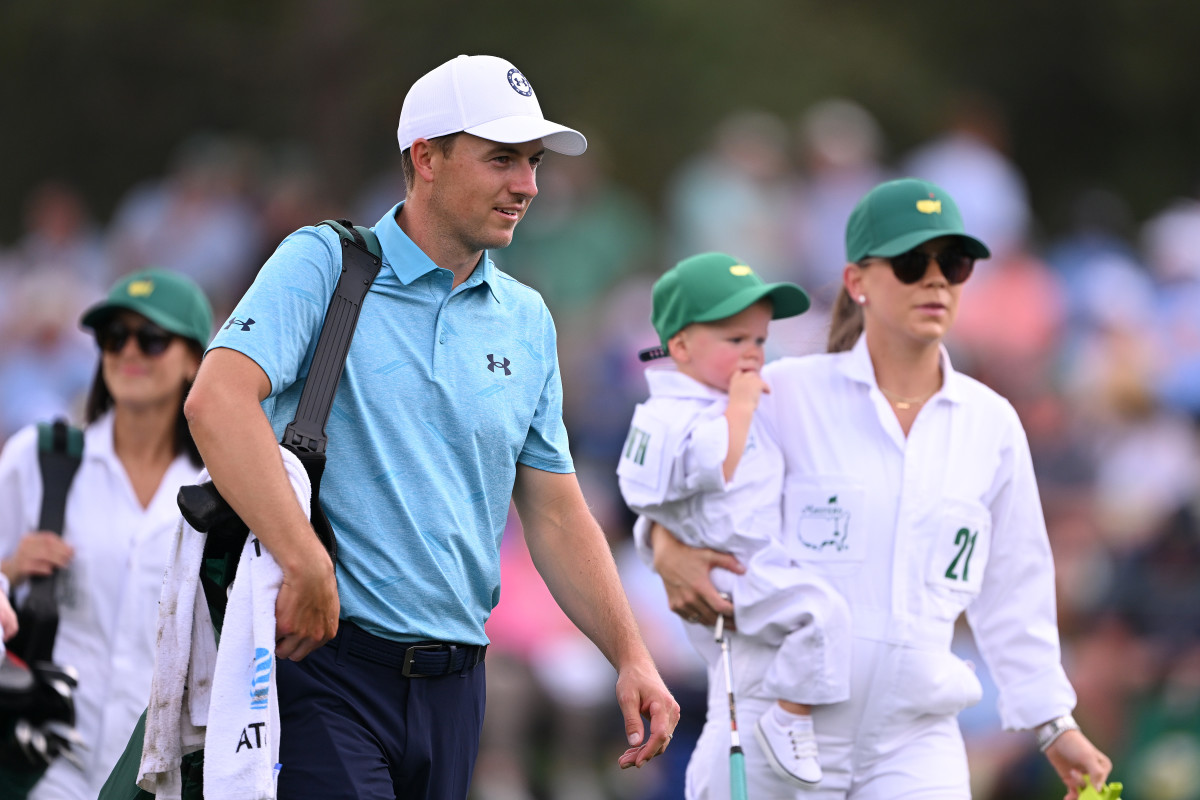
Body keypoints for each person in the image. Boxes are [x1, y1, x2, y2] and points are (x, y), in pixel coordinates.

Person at [182, 54, 678, 799]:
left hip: (459, 689)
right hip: (326, 668)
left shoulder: (527, 319)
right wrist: (305, 558)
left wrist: (631, 654)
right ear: (427, 158)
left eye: (534, 163)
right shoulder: (325, 263)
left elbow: (553, 508)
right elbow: (215, 401)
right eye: (503, 159)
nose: (528, 186)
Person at [643, 178, 1113, 799]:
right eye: (913, 262)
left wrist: (1053, 723)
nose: (937, 279)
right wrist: (661, 542)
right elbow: (680, 473)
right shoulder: (786, 393)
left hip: (916, 742)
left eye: (955, 263)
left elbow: (1014, 584)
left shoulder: (990, 421)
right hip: (772, 728)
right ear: (857, 280)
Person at [618, 252, 851, 789]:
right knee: (821, 615)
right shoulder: (691, 410)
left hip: (748, 563)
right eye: (734, 340)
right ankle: (788, 718)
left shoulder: (716, 400)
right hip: (731, 570)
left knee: (816, 616)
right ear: (680, 346)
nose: (752, 355)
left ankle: (787, 715)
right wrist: (741, 407)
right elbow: (712, 467)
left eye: (759, 341)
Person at [0, 268, 213, 799]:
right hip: (42, 766)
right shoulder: (41, 457)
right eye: (115, 337)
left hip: (152, 779)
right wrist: (7, 572)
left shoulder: (219, 490)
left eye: (152, 337)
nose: (129, 352)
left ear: (194, 360)